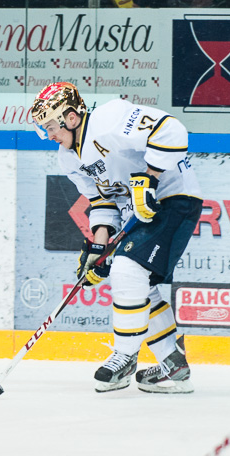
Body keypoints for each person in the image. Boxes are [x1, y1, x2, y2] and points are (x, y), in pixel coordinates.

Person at [29, 82, 204, 393]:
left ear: (71, 117)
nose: (49, 135)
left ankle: (124, 355)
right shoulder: (68, 158)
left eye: (51, 126)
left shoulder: (109, 119)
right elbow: (103, 203)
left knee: (127, 269)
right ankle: (173, 365)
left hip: (175, 197)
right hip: (137, 209)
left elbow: (173, 131)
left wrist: (149, 179)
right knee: (138, 283)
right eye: (45, 129)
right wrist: (98, 247)